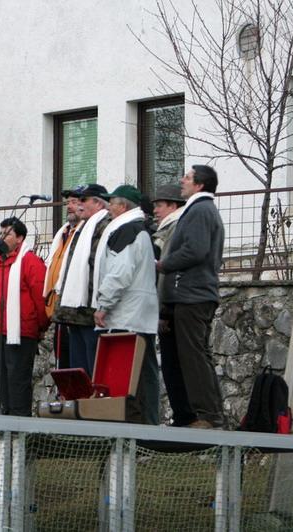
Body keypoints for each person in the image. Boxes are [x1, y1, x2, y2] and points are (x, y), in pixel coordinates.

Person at [157, 165, 225, 429]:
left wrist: (163, 264)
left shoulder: (200, 210)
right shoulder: (197, 210)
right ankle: (190, 416)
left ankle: (208, 416)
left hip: (193, 296)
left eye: (187, 177)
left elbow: (195, 250)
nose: (181, 180)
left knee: (194, 357)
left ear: (199, 185)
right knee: (183, 358)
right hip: (186, 296)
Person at [92, 185, 160, 424]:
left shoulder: (126, 231)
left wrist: (103, 305)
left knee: (131, 376)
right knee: (144, 373)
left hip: (127, 316)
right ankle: (147, 425)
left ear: (122, 206)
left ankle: (140, 427)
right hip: (137, 315)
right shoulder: (137, 230)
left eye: (111, 203)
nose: (108, 208)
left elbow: (119, 273)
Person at [0, 217, 49, 416]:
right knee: (3, 384)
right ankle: (6, 424)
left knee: (18, 383)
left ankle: (20, 425)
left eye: (7, 233)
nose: (2, 237)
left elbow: (40, 297)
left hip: (20, 331)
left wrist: (40, 326)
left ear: (20, 238)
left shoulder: (30, 261)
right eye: (1, 233)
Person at [53, 184, 111, 377]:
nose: (79, 205)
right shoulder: (83, 227)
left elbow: (98, 267)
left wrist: (101, 304)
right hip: (75, 312)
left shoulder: (104, 226)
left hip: (90, 310)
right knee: (78, 372)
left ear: (98, 203)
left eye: (83, 200)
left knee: (93, 371)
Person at [151, 183, 194, 426]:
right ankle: (183, 415)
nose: (155, 210)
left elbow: (166, 271)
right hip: (172, 302)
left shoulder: (175, 227)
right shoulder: (169, 228)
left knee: (175, 364)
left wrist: (163, 309)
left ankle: (185, 416)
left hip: (173, 304)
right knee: (172, 364)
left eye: (159, 205)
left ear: (173, 206)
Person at [44, 186, 83, 369]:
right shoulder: (63, 233)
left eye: (74, 202)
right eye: (68, 202)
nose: (69, 206)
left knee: (75, 361)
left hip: (74, 307)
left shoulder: (83, 233)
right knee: (63, 361)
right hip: (59, 306)